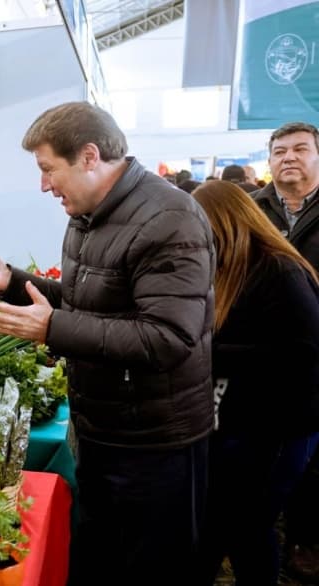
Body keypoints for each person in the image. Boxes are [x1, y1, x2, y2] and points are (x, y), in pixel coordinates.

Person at [0, 101, 215, 586]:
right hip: (103, 429)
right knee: (99, 560)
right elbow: (81, 303)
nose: (45, 185)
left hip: (154, 445)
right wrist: (10, 280)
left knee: (150, 568)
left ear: (89, 156)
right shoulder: (89, 214)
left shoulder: (170, 218)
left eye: (49, 169)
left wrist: (52, 330)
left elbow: (168, 337)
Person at [190, 180, 319, 585]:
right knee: (227, 526)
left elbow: (302, 355)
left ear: (224, 223)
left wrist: (207, 354)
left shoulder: (279, 269)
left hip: (281, 429)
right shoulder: (235, 266)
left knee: (248, 529)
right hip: (246, 425)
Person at [253, 121, 319, 582]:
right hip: (256, 353)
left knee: (314, 460)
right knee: (263, 450)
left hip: (316, 356)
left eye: (300, 149)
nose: (288, 157)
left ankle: (302, 541)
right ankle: (257, 532)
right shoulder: (251, 210)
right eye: (279, 151)